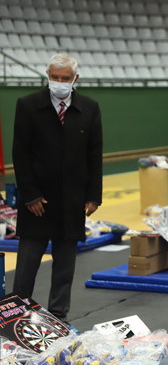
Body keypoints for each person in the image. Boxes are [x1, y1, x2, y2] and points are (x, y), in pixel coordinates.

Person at [12, 53, 103, 322]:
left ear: (75, 79)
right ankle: (17, 317)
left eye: (65, 78)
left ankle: (59, 318)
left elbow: (94, 155)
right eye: (55, 77)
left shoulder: (90, 107)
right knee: (27, 266)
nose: (59, 82)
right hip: (37, 204)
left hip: (72, 202)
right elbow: (20, 154)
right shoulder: (27, 105)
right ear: (47, 75)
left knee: (64, 268)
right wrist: (30, 196)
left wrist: (93, 195)